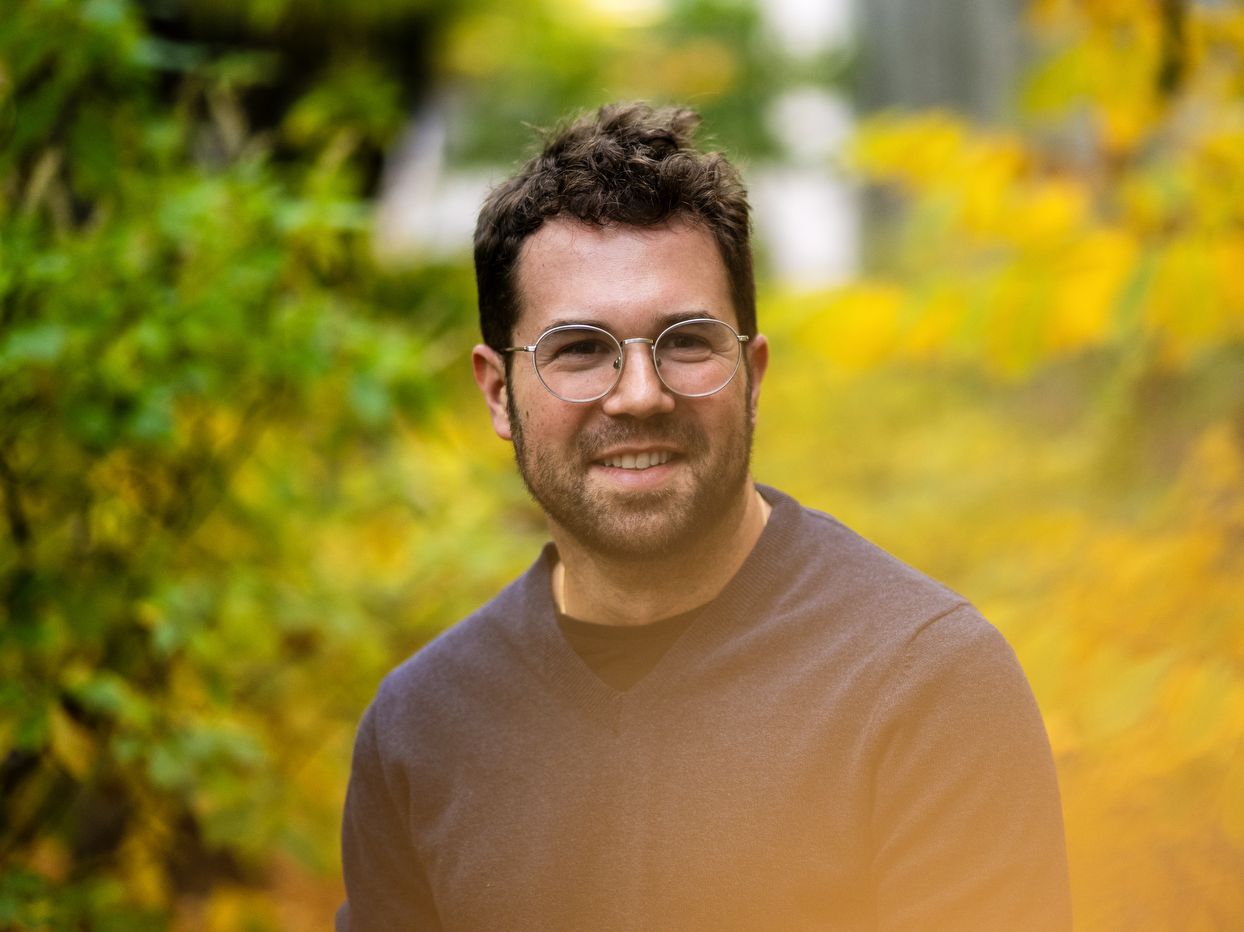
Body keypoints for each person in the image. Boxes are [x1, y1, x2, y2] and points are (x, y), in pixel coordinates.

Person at [336, 102, 1071, 932]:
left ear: (752, 373)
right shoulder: (422, 729)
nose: (640, 394)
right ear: (500, 392)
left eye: (686, 341)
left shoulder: (924, 686)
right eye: (579, 350)